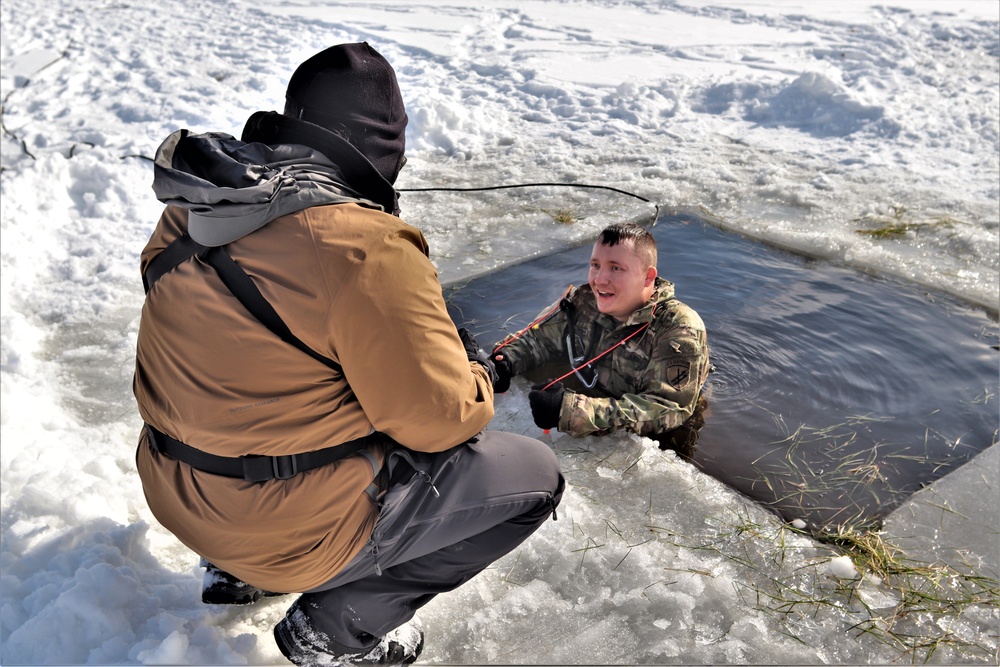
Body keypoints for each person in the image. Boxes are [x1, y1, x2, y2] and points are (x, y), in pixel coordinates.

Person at [132, 42, 563, 666]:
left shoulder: (193, 209)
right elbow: (440, 419)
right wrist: (469, 372)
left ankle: (232, 573)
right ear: (384, 147)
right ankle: (337, 628)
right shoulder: (364, 245)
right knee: (534, 477)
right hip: (278, 527)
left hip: (176, 490)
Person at [491, 222, 710, 440]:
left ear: (648, 277)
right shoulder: (584, 301)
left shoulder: (678, 328)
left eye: (616, 268)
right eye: (595, 265)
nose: (600, 280)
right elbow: (539, 338)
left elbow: (669, 408)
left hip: (655, 439)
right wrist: (505, 360)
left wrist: (572, 412)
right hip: (598, 395)